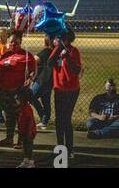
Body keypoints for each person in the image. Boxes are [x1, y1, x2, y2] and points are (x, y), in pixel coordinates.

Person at [0, 31, 36, 147]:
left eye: (16, 43)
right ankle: (9, 138)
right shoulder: (5, 55)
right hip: (3, 90)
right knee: (8, 115)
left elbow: (33, 71)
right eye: (11, 43)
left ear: (21, 43)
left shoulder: (26, 56)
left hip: (17, 91)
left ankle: (21, 139)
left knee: (19, 116)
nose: (13, 45)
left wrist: (30, 79)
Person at [48, 27, 82, 159]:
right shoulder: (56, 51)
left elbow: (75, 71)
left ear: (68, 39)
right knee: (58, 120)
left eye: (63, 38)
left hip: (72, 89)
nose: (61, 40)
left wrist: (67, 57)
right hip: (59, 89)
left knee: (66, 119)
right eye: (60, 38)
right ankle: (60, 146)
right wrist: (57, 49)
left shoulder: (74, 51)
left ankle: (70, 149)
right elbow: (50, 63)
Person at [30, 35, 54, 129]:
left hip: (42, 79)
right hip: (50, 79)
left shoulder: (47, 51)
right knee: (46, 100)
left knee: (31, 96)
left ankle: (42, 115)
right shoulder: (55, 52)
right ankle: (45, 121)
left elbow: (35, 59)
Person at [16, 88, 37, 168]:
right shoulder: (21, 107)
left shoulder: (27, 108)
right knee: (24, 146)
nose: (17, 98)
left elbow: (30, 121)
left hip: (29, 131)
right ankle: (26, 160)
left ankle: (31, 162)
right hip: (23, 130)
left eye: (18, 97)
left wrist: (28, 132)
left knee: (28, 147)